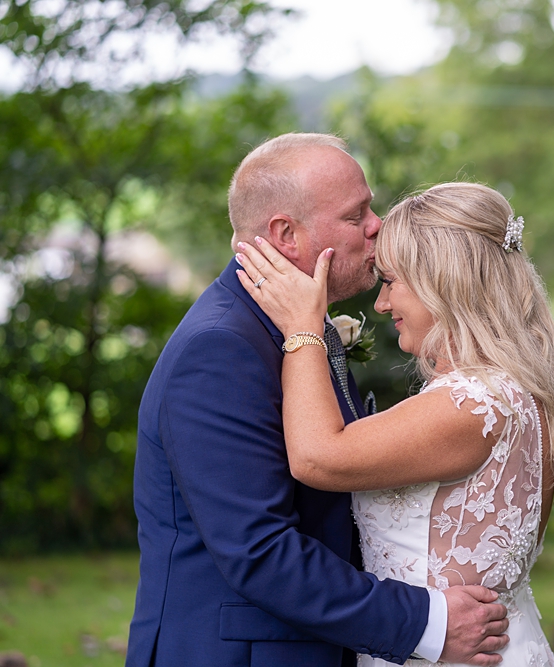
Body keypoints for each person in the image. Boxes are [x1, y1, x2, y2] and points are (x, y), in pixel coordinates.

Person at [127, 134, 510, 667]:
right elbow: (259, 551)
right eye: (357, 216)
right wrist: (426, 622)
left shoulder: (300, 328)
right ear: (286, 235)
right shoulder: (220, 348)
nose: (378, 225)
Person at [234, 181, 554, 666]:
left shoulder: (474, 401)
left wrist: (303, 328)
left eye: (391, 281)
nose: (381, 305)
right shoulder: (516, 390)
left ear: (442, 281)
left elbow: (318, 457)